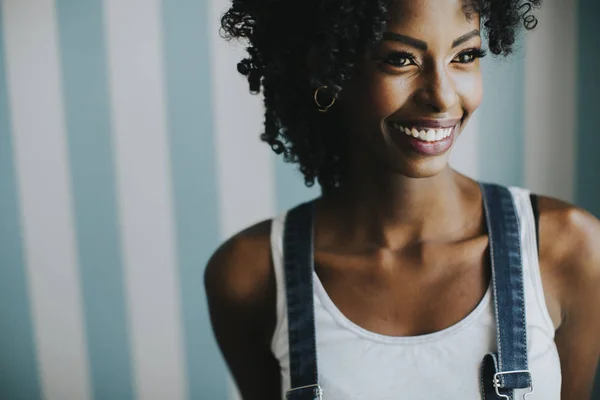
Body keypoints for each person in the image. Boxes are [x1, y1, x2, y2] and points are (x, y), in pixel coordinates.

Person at [204, 0, 600, 398]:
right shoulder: (249, 275)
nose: (442, 97)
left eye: (464, 56)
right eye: (400, 60)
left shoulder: (569, 247)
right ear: (327, 69)